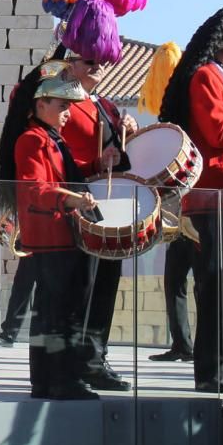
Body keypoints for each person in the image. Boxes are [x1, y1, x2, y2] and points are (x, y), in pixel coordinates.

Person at [0, 61, 100, 400]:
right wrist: (71, 200)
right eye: (62, 105)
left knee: (49, 313)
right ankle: (61, 380)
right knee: (59, 314)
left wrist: (103, 161)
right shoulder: (32, 140)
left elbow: (62, 175)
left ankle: (45, 380)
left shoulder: (50, 138)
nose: (68, 111)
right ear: (40, 104)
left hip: (55, 236)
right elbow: (34, 189)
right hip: (52, 237)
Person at [159, 8, 223, 393]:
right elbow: (216, 132)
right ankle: (210, 373)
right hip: (212, 200)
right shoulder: (205, 77)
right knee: (214, 287)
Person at [59, 50, 135, 391]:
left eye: (101, 60)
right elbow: (60, 156)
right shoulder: (64, 103)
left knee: (106, 285)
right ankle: (75, 363)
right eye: (89, 60)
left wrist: (126, 135)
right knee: (83, 288)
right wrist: (94, 163)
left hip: (109, 206)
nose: (98, 65)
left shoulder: (108, 105)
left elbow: (117, 160)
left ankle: (95, 359)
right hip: (80, 204)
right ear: (71, 65)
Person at [149, 235, 195, 362]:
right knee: (173, 286)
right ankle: (181, 346)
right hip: (180, 233)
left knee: (205, 290)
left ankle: (210, 350)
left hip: (202, 229)